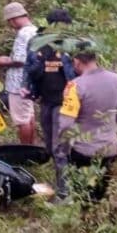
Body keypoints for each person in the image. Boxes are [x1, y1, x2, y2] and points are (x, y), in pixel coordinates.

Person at [53, 42, 117, 202]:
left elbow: (66, 125)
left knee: (85, 197)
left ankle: (86, 221)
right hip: (110, 150)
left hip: (83, 152)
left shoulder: (75, 86)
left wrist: (65, 148)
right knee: (104, 195)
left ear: (77, 61)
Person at [20, 9, 77, 157]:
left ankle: (63, 177)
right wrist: (25, 86)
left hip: (64, 100)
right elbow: (28, 66)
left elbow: (79, 70)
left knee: (60, 145)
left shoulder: (71, 43)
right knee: (50, 143)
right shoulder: (37, 42)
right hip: (45, 98)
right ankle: (59, 170)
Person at [0, 2, 38, 144]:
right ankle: (31, 149)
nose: (10, 25)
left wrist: (3, 62)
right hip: (30, 81)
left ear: (13, 19)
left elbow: (20, 61)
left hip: (18, 83)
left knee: (22, 120)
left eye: (9, 22)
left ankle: (25, 151)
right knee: (28, 116)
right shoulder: (35, 30)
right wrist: (10, 59)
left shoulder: (23, 33)